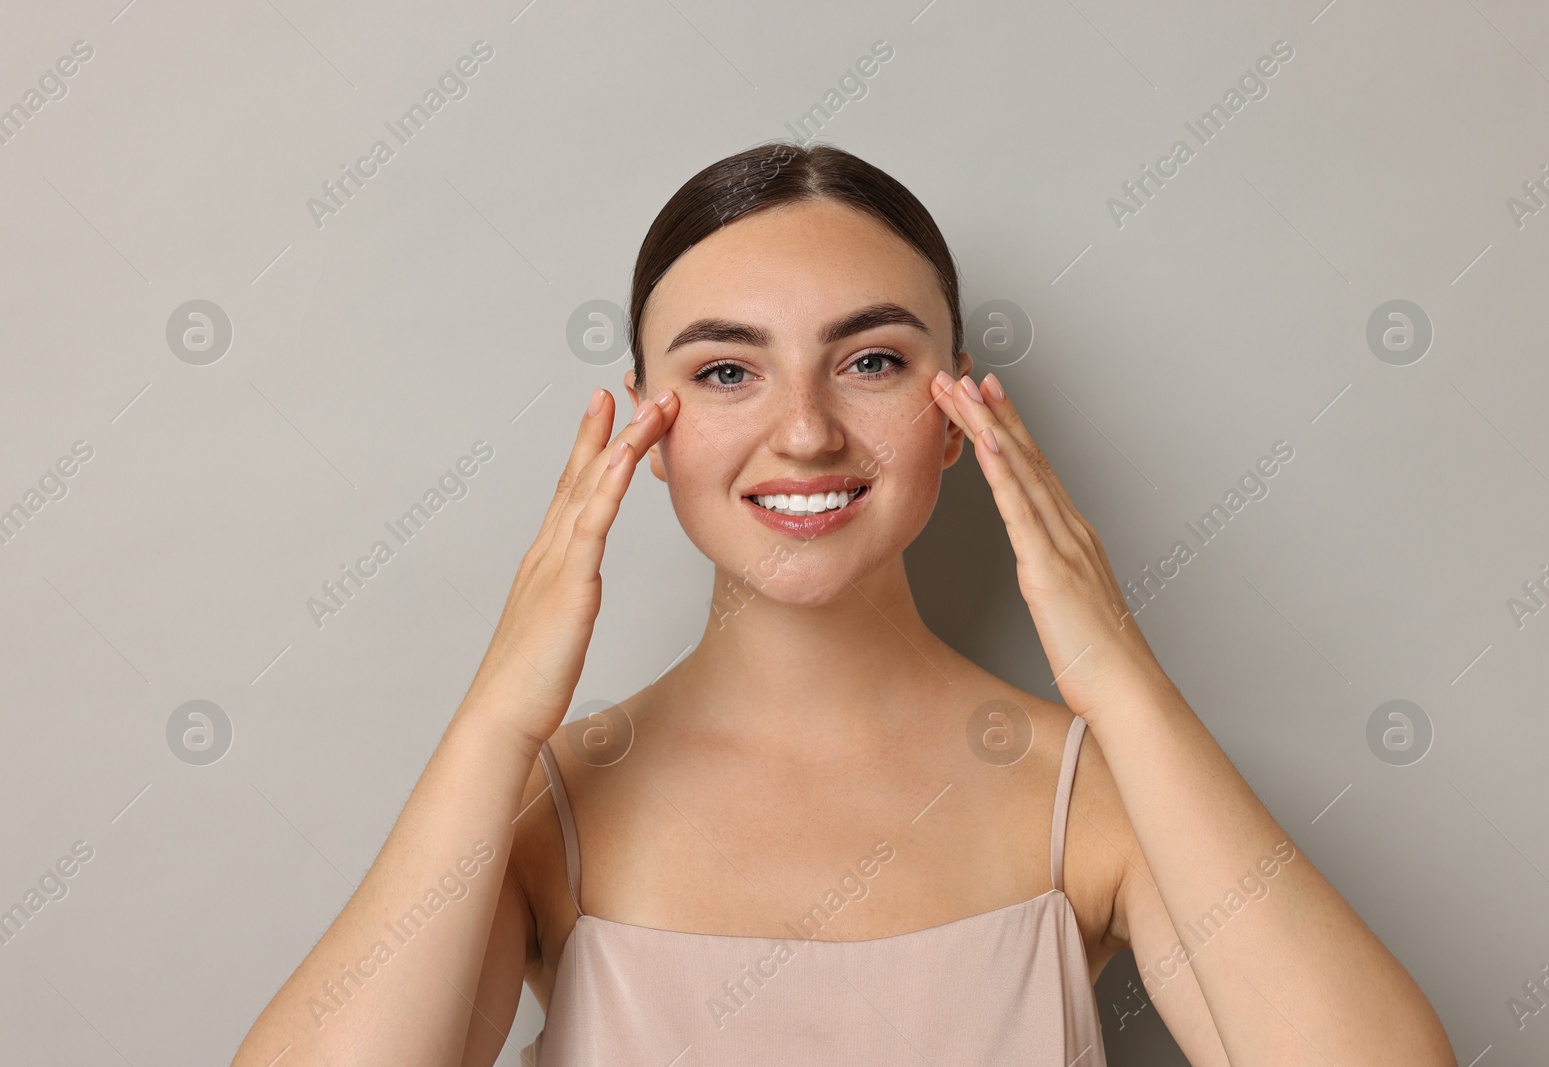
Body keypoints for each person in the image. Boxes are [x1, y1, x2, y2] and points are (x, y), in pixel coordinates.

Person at [230, 142, 1456, 1066]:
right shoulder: (546, 801)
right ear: (647, 429)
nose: (807, 430)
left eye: (871, 360)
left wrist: (1124, 682)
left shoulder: (1094, 792)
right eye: (725, 370)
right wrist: (498, 714)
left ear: (961, 411)